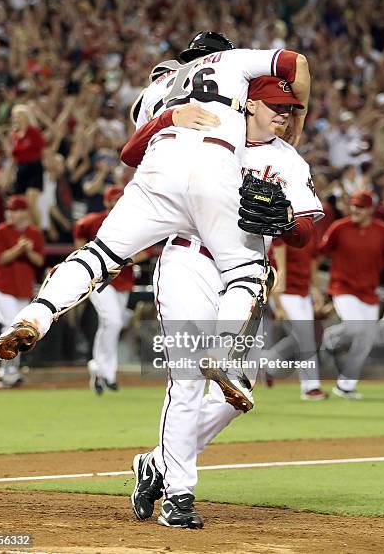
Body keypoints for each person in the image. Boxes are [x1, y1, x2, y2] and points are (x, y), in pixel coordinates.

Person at [0, 35, 309, 414]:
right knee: (250, 272)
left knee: (98, 255)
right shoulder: (235, 63)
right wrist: (299, 122)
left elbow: (129, 153)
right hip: (213, 164)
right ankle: (225, 353)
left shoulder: (157, 87)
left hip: (156, 171)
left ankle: (34, 315)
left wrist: (167, 117)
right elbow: (298, 63)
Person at [124, 76, 323, 528]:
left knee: (239, 387)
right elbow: (137, 152)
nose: (284, 114)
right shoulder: (203, 135)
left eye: (290, 108)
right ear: (249, 104)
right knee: (190, 376)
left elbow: (308, 229)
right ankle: (179, 496)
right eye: (275, 105)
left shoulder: (286, 159)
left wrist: (288, 222)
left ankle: (157, 462)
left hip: (246, 272)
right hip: (189, 260)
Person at [74, 185, 149, 393]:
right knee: (113, 320)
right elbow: (79, 246)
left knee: (112, 324)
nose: (117, 203)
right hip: (99, 279)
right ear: (107, 202)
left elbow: (146, 252)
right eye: (114, 199)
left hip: (122, 279)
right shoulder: (91, 221)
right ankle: (106, 371)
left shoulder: (135, 221)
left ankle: (101, 369)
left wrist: (123, 261)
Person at [320, 190, 384, 399]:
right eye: (353, 205)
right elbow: (323, 251)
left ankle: (345, 385)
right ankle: (331, 338)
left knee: (367, 339)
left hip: (369, 290)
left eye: (360, 207)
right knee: (355, 327)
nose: (355, 210)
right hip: (343, 287)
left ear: (370, 209)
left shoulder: (382, 231)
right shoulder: (340, 228)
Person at [0, 195, 44, 388]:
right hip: (3, 288)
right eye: (9, 210)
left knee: (19, 332)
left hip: (23, 289)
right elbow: (2, 259)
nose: (10, 213)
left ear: (25, 213)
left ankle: (10, 372)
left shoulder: (34, 233)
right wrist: (19, 248)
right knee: (10, 326)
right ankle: (7, 371)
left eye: (15, 210)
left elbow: (39, 261)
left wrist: (28, 251)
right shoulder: (1, 231)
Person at [265, 236, 328, 400]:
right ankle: (310, 387)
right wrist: (277, 305)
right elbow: (277, 271)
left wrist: (315, 290)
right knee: (306, 339)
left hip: (303, 293)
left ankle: (268, 362)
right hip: (285, 294)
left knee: (303, 338)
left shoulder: (308, 235)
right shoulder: (280, 238)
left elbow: (311, 264)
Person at [10, 104, 47, 226]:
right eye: (15, 116)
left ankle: (38, 230)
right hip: (21, 169)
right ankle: (27, 230)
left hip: (34, 168)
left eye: (20, 116)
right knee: (21, 204)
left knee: (31, 202)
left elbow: (43, 151)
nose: (17, 119)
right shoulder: (15, 135)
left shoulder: (33, 132)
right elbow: (14, 156)